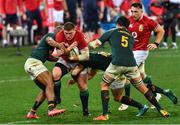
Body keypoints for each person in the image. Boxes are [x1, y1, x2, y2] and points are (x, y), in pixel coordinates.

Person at [88, 16, 169, 120]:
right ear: (127, 26)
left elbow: (95, 44)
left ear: (117, 24)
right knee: (143, 88)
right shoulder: (130, 36)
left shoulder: (112, 31)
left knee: (104, 85)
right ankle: (160, 109)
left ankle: (104, 115)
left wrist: (87, 44)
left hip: (117, 64)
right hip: (131, 64)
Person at [119, 2, 178, 111]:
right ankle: (158, 94)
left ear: (142, 11)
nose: (133, 14)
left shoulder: (148, 21)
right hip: (130, 52)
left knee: (126, 74)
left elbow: (161, 31)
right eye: (132, 11)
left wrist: (156, 43)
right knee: (142, 76)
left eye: (135, 12)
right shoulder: (128, 21)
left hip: (141, 52)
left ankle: (126, 101)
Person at [68, 52, 149, 117]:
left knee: (116, 96)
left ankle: (106, 113)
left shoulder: (83, 61)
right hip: (121, 64)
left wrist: (74, 80)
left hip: (116, 71)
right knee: (116, 95)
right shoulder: (91, 55)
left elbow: (74, 73)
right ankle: (107, 110)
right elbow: (92, 74)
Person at [24, 26, 66, 119]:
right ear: (58, 32)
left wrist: (63, 59)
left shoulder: (49, 47)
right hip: (34, 63)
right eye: (62, 33)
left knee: (46, 89)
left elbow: (50, 57)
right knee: (50, 82)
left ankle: (32, 112)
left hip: (31, 64)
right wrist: (60, 45)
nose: (63, 36)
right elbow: (49, 40)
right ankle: (51, 109)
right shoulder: (51, 35)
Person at [52, 22, 90, 116]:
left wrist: (74, 57)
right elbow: (58, 53)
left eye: (70, 33)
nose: (68, 36)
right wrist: (69, 49)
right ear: (63, 31)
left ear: (75, 30)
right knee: (55, 74)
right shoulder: (60, 35)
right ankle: (57, 98)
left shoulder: (80, 35)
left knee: (82, 86)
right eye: (66, 33)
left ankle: (85, 111)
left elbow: (86, 56)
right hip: (65, 60)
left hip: (78, 61)